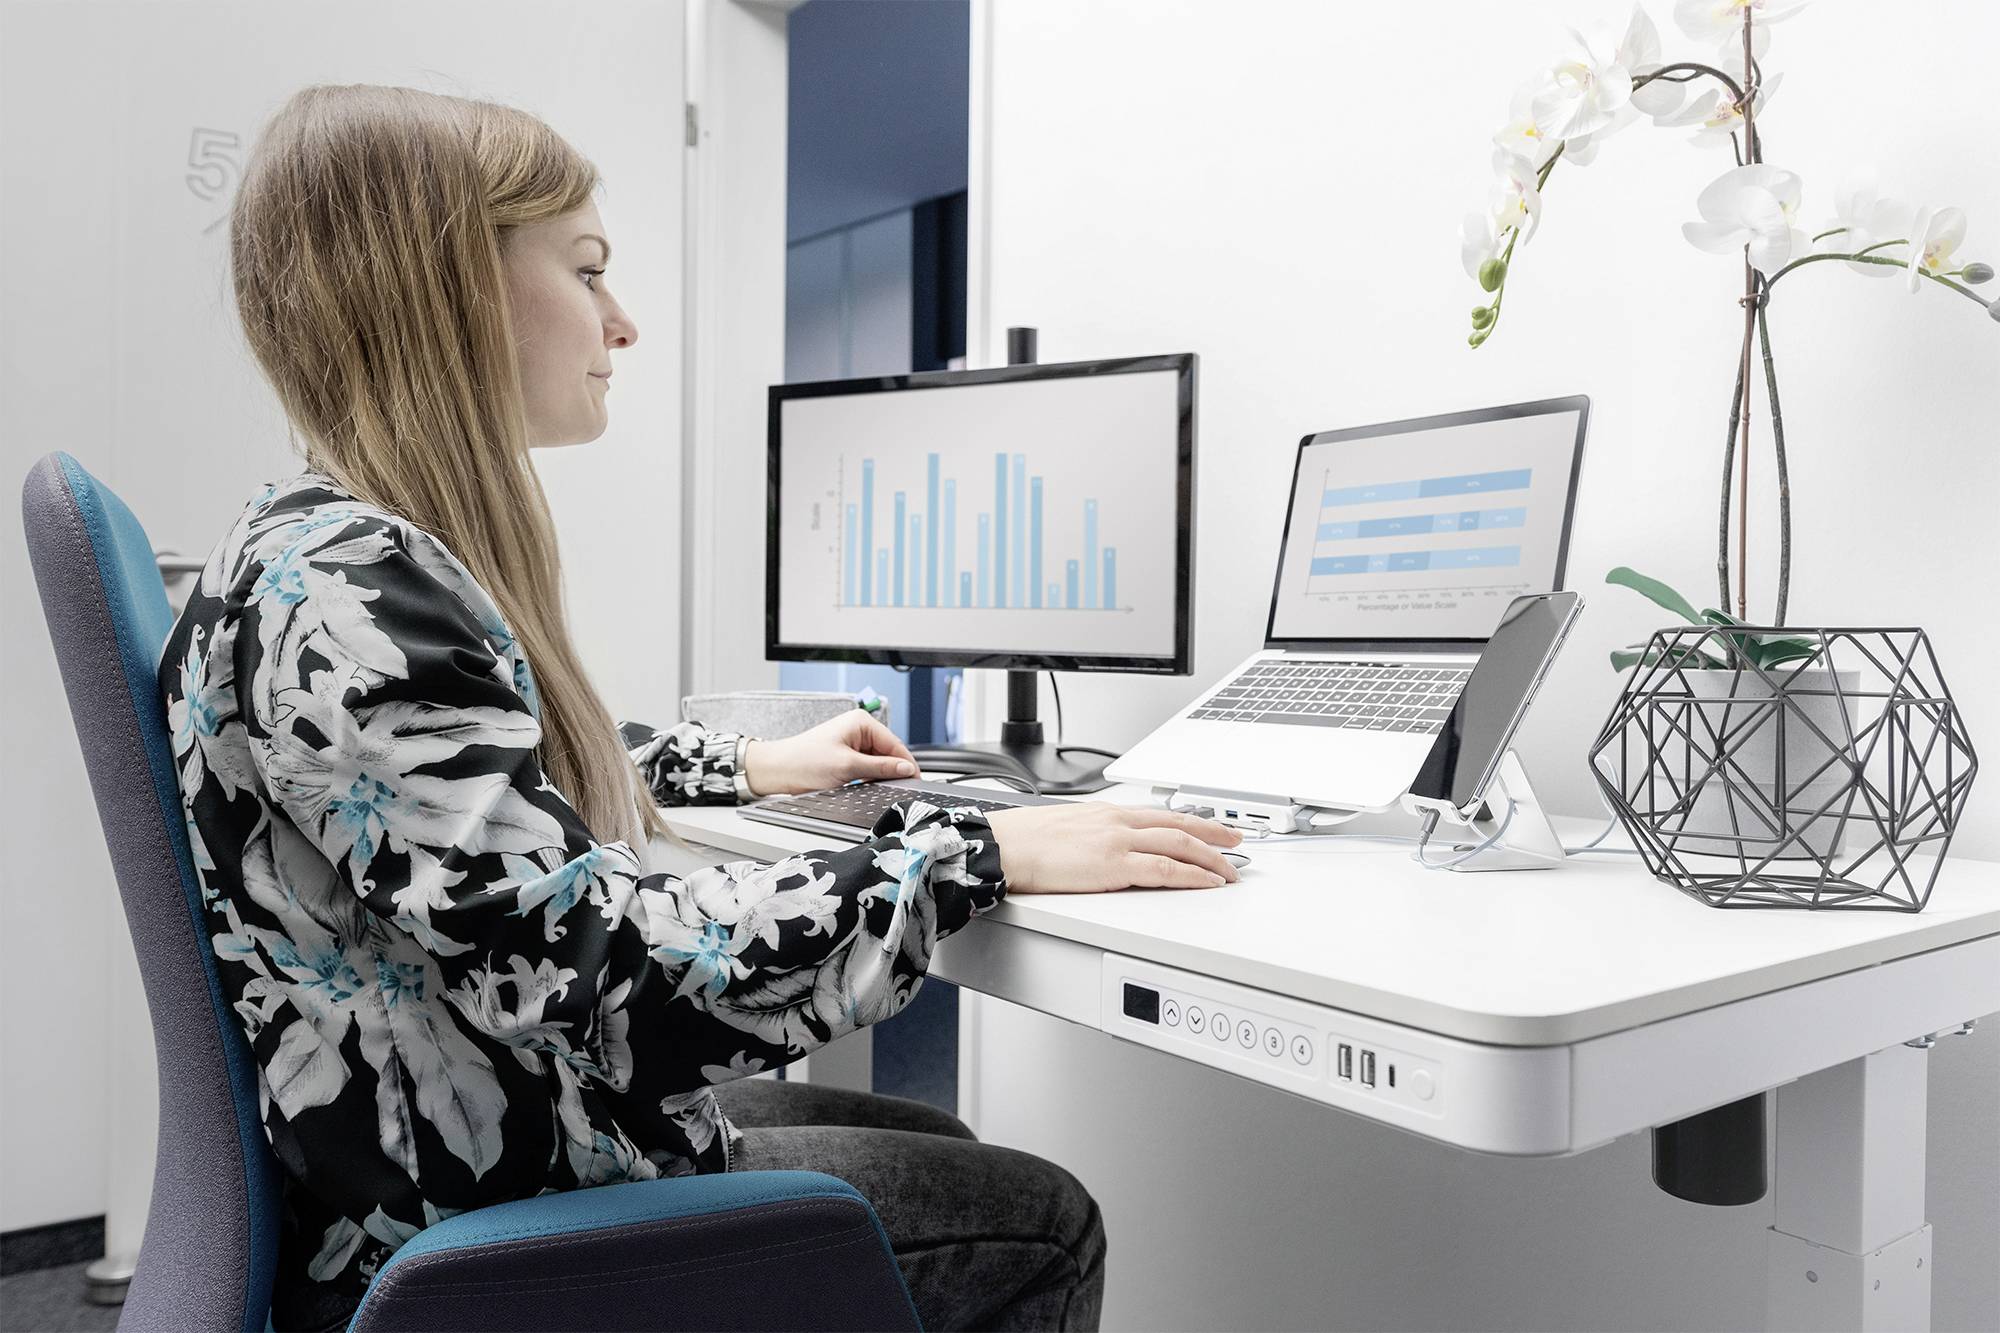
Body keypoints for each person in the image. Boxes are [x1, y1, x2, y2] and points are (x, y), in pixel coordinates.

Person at [160, 83, 1242, 1332]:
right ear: (450, 283)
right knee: (1035, 1217)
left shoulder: (319, 557)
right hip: (468, 1213)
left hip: (443, 1142)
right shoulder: (356, 596)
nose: (621, 322)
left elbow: (464, 789)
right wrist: (970, 854)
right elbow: (603, 977)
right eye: (586, 269)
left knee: (927, 1133)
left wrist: (740, 766)